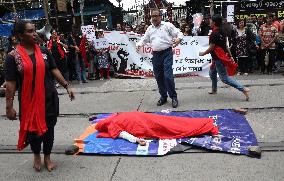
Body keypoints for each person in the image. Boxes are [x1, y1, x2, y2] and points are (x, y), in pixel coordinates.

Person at [5, 20, 75, 172]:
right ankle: (37, 154)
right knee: (34, 132)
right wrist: (9, 107)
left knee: (49, 130)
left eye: (34, 30)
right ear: (20, 36)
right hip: (28, 103)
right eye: (30, 31)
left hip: (49, 99)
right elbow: (10, 83)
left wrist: (66, 86)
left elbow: (54, 69)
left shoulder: (44, 51)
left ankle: (47, 157)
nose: (34, 33)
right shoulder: (12, 57)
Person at [136, 8, 183, 108]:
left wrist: (179, 39)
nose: (155, 18)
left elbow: (179, 33)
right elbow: (144, 39)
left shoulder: (167, 25)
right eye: (153, 16)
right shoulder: (149, 29)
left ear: (161, 16)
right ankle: (163, 97)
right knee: (158, 76)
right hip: (156, 55)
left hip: (167, 53)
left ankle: (174, 97)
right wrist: (139, 44)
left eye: (157, 16)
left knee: (168, 76)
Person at [199, 14, 250, 101]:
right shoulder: (221, 31)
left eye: (211, 20)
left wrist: (202, 53)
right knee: (212, 73)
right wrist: (230, 55)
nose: (209, 21)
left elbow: (211, 47)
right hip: (218, 57)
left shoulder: (214, 34)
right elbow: (226, 46)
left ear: (214, 22)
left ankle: (243, 89)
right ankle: (214, 90)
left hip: (219, 58)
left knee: (224, 78)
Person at [95, 112, 219, 146]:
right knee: (172, 122)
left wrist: (137, 140)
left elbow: (123, 134)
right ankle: (205, 124)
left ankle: (206, 126)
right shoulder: (116, 116)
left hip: (146, 125)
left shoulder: (112, 125)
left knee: (172, 128)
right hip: (146, 118)